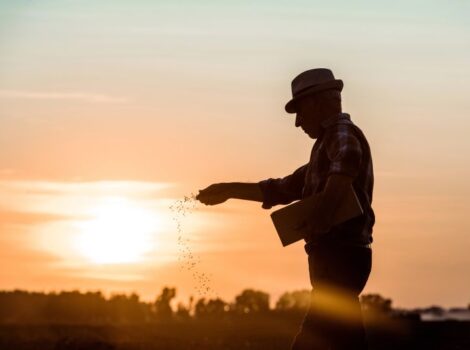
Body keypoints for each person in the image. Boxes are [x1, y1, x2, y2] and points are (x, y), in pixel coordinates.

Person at [196, 68, 375, 350]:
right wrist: (229, 190)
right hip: (335, 259)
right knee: (345, 338)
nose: (297, 123)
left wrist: (323, 215)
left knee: (313, 338)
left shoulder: (341, 134)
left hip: (341, 257)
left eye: (299, 111)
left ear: (317, 103)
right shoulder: (322, 151)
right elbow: (281, 189)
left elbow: (348, 159)